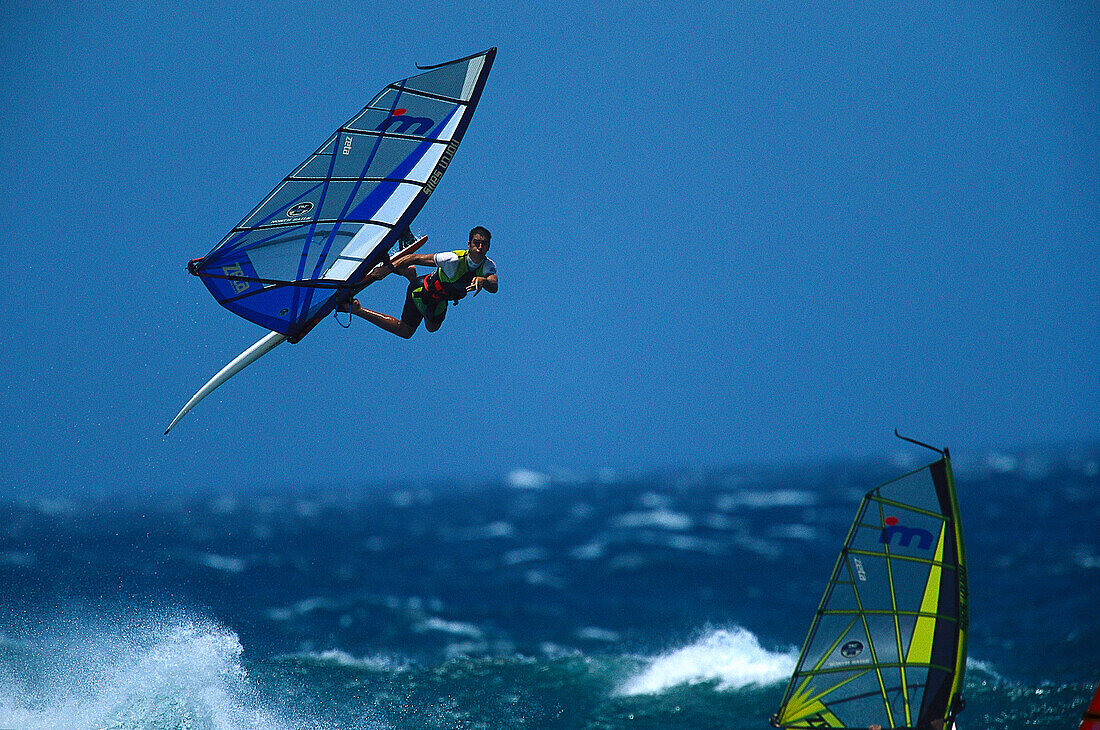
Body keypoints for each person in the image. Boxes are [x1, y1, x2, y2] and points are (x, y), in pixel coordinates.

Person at [340, 226, 497, 339]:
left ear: (488, 247)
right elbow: (415, 257)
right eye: (476, 243)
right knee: (405, 331)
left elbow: (494, 285)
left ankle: (410, 273)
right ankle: (357, 309)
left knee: (432, 328)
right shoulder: (452, 259)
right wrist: (386, 270)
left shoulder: (487, 265)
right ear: (469, 244)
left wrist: (483, 280)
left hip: (440, 300)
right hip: (422, 290)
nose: (480, 247)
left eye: (484, 244)